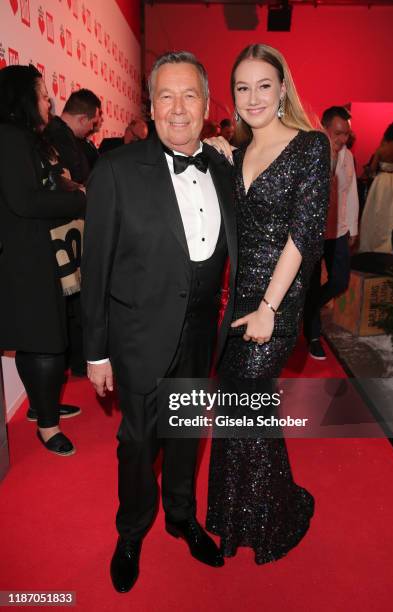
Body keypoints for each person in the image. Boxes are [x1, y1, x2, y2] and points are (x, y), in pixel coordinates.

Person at [81, 51, 237, 592]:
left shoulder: (223, 169)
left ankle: (181, 516)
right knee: (138, 443)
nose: (177, 108)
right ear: (150, 105)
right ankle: (132, 529)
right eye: (165, 96)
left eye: (189, 95)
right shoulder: (117, 170)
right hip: (138, 334)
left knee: (187, 435)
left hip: (201, 332)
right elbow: (94, 267)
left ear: (206, 104)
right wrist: (96, 351)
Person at [204, 44, 330, 564]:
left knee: (247, 397)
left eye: (263, 85)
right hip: (239, 298)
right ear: (232, 96)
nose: (253, 97)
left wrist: (270, 309)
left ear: (282, 90)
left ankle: (271, 517)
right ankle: (240, 511)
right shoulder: (235, 153)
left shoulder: (310, 147)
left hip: (277, 297)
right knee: (237, 402)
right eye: (242, 87)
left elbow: (304, 235)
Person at [0, 65, 86, 455]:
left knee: (37, 341)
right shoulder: (9, 138)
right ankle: (48, 425)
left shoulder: (20, 138)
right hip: (24, 258)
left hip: (31, 252)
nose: (48, 100)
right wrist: (80, 198)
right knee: (46, 342)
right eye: (41, 93)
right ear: (22, 99)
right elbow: (25, 202)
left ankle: (41, 406)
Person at [45, 89, 102, 378]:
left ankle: (80, 359)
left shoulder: (71, 139)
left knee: (78, 297)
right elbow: (64, 181)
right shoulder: (54, 137)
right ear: (83, 117)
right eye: (92, 123)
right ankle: (77, 361)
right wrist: (80, 188)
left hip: (74, 228)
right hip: (64, 230)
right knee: (73, 298)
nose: (93, 129)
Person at [303, 106, 359, 359]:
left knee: (340, 281)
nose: (342, 139)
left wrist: (353, 228)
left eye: (346, 134)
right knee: (313, 282)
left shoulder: (348, 156)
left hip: (339, 231)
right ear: (323, 128)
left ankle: (307, 306)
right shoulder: (312, 154)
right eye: (337, 133)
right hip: (315, 233)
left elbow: (350, 194)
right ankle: (313, 335)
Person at [359, 120, 393, 254]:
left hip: (381, 182)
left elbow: (373, 169)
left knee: (377, 212)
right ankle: (391, 246)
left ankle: (374, 243)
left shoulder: (381, 150)